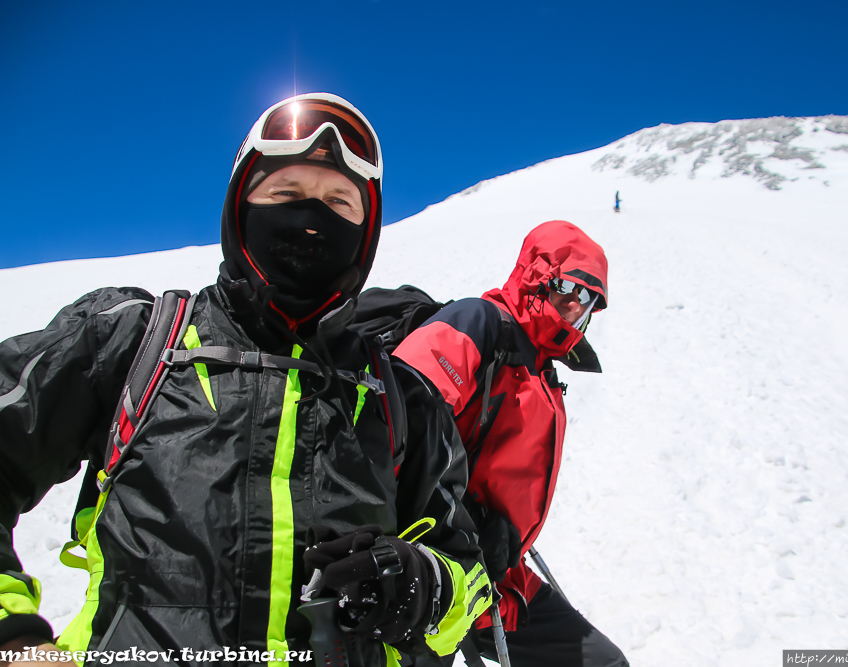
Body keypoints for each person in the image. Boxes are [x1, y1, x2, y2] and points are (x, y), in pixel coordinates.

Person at [0, 93, 491, 667]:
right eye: (286, 194)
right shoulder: (140, 342)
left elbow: (469, 576)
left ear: (367, 230)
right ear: (240, 208)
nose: (312, 219)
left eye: (339, 201)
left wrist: (424, 582)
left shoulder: (399, 398)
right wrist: (12, 634)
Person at [393, 221, 629, 667]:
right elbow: (402, 411)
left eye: (590, 301)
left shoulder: (542, 368)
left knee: (602, 662)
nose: (576, 307)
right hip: (432, 567)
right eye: (569, 289)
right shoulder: (481, 323)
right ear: (536, 278)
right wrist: (465, 521)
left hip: (498, 578)